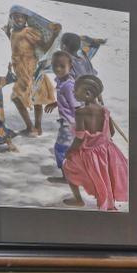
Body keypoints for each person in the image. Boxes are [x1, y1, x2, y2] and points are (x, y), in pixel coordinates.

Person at [61, 75, 128, 211]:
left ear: (87, 94)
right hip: (107, 150)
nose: (73, 93)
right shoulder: (104, 111)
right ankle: (109, 204)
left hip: (90, 153)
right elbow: (111, 132)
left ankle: (78, 199)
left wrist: (70, 151)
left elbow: (79, 138)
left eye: (75, 90)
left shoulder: (80, 113)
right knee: (107, 177)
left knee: (67, 166)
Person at [3, 11, 57, 135]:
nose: (19, 19)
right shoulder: (12, 32)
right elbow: (18, 44)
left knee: (18, 98)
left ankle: (32, 127)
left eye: (21, 17)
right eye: (15, 17)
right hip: (20, 70)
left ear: (26, 19)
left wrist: (54, 36)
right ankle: (36, 128)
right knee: (35, 96)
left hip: (31, 69)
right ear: (11, 18)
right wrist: (7, 34)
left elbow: (44, 47)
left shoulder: (29, 32)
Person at [47, 51, 83, 201]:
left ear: (70, 66)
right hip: (67, 122)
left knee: (61, 149)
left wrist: (79, 126)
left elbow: (77, 107)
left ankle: (67, 176)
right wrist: (56, 103)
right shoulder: (62, 81)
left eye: (62, 66)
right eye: (55, 66)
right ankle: (68, 175)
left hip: (70, 124)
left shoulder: (68, 85)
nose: (58, 69)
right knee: (64, 150)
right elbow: (66, 100)